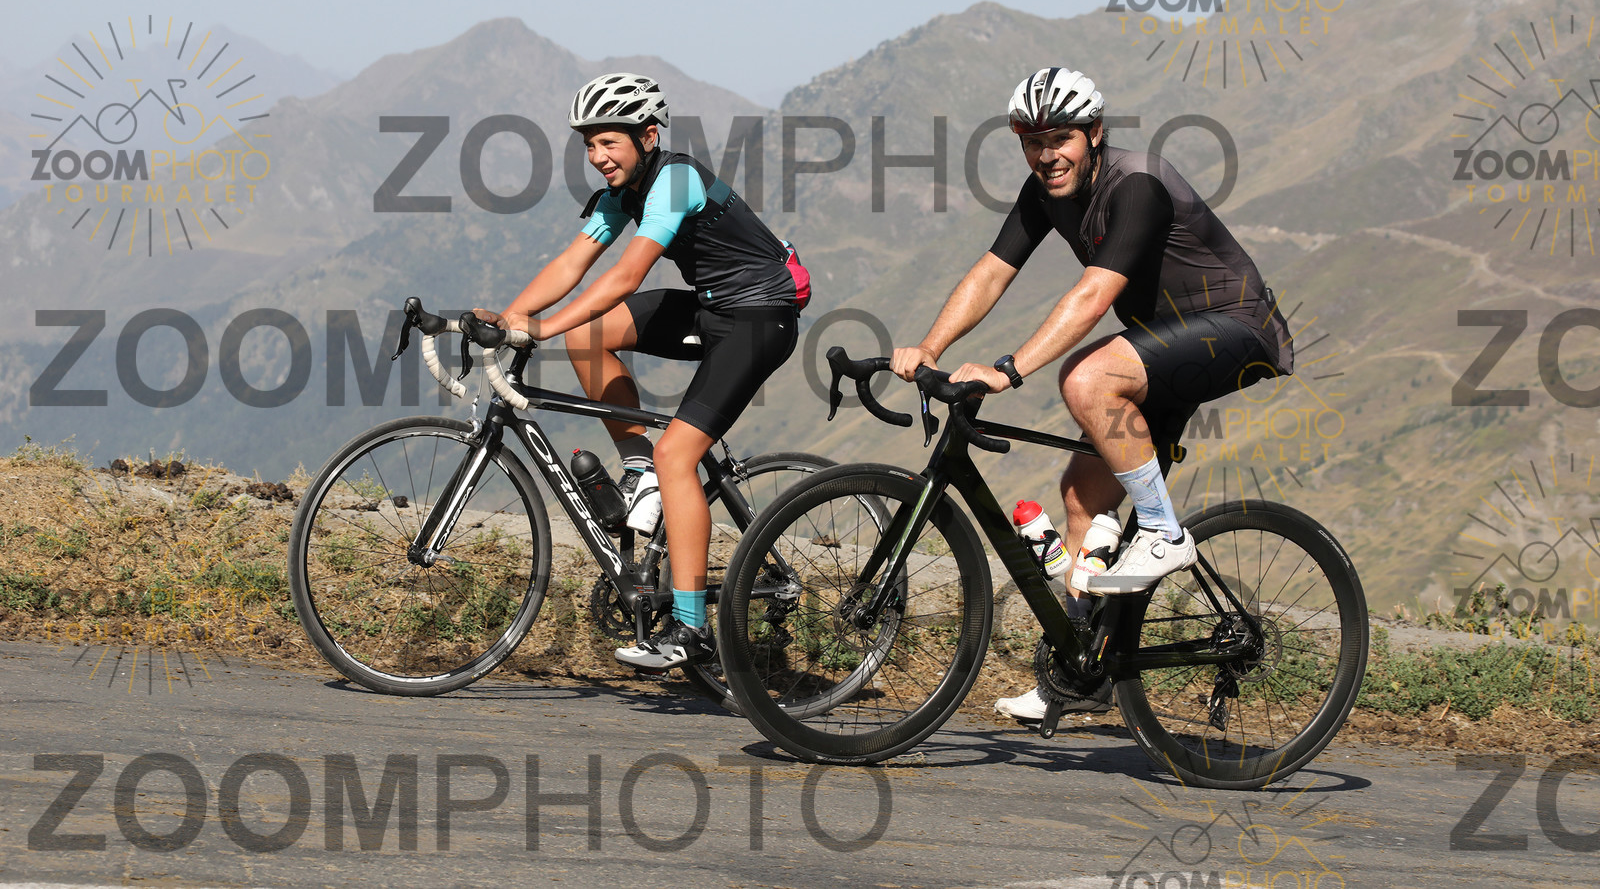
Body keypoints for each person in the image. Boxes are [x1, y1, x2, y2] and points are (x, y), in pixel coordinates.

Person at [890, 67, 1293, 722]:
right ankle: (1082, 672)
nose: (1047, 154)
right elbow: (991, 273)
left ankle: (1163, 531)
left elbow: (1093, 295)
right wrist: (929, 348)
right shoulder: (1044, 192)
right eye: (1033, 140)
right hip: (1163, 346)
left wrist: (1007, 370)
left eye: (1061, 138)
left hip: (1237, 329)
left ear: (1095, 133)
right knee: (1081, 493)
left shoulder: (1137, 184)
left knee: (1086, 377)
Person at [475, 73, 810, 670]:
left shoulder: (676, 179)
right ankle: (639, 471)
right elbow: (572, 263)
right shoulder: (621, 193)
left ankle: (691, 628)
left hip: (761, 316)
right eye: (589, 145)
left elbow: (626, 277)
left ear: (648, 137)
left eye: (609, 142)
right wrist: (510, 318)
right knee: (589, 336)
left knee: (678, 454)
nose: (597, 156)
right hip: (713, 307)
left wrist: (539, 329)